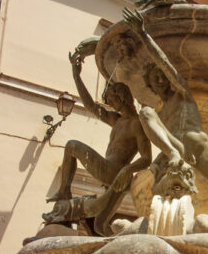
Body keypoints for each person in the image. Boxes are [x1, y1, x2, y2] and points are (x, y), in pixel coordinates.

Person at [121, 7, 208, 225]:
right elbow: (152, 129)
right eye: (154, 78)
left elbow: (164, 61)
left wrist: (143, 34)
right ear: (150, 85)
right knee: (145, 112)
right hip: (176, 148)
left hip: (199, 146)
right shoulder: (158, 113)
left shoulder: (183, 93)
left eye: (161, 76)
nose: (160, 80)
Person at [47, 49, 151, 236]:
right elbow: (90, 105)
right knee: (99, 225)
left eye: (112, 100)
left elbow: (147, 158)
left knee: (71, 145)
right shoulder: (116, 120)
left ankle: (64, 191)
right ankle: (119, 250)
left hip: (114, 172)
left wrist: (127, 170)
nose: (110, 104)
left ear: (121, 97)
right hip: (114, 175)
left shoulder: (137, 123)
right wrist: (76, 76)